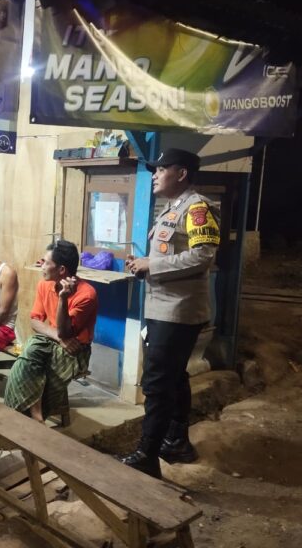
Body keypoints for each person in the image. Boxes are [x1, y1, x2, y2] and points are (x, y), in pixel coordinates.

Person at [122, 148, 220, 478]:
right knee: (174, 377)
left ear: (181, 173)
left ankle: (147, 454)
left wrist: (152, 265)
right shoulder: (171, 208)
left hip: (178, 312)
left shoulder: (197, 208)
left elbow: (203, 256)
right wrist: (143, 265)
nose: (155, 175)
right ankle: (176, 441)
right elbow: (168, 255)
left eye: (161, 169)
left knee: (157, 382)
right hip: (162, 308)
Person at [4, 240, 97, 423]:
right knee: (30, 353)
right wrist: (57, 337)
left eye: (46, 262)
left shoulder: (87, 295)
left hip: (75, 349)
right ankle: (36, 415)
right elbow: (35, 321)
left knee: (38, 367)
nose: (42, 266)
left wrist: (63, 299)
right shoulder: (44, 285)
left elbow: (65, 332)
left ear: (61, 270)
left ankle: (29, 415)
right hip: (55, 340)